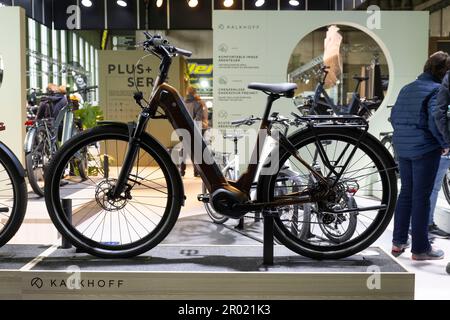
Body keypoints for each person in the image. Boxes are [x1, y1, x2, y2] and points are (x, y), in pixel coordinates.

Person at [390, 52, 450, 261]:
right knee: (421, 197)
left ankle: (398, 243)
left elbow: (394, 116)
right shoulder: (436, 90)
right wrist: (445, 142)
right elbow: (436, 118)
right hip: (425, 148)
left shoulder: (407, 88)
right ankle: (421, 249)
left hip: (403, 147)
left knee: (406, 193)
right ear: (442, 71)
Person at [180, 86, 209, 177]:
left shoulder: (182, 102)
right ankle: (196, 171)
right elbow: (198, 118)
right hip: (194, 128)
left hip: (183, 128)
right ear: (195, 93)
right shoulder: (198, 103)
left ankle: (182, 171)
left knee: (184, 149)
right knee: (195, 150)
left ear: (187, 92)